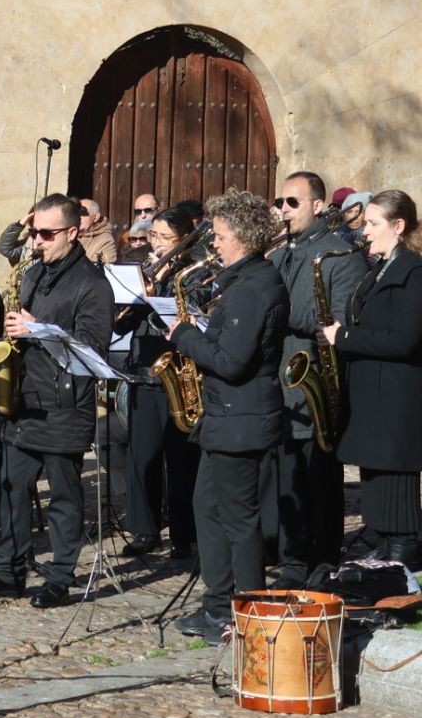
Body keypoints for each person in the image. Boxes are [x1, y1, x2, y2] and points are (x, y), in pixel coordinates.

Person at [0, 193, 113, 608]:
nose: (38, 240)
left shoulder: (92, 284)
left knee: (65, 497)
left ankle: (59, 576)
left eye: (47, 233)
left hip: (65, 403)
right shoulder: (34, 273)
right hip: (25, 398)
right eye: (36, 232)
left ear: (74, 232)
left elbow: (93, 348)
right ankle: (8, 571)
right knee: (12, 489)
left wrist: (38, 329)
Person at [169, 189, 289, 645]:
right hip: (227, 419)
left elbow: (232, 362)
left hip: (241, 418)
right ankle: (217, 604)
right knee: (207, 507)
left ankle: (248, 612)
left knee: (238, 521)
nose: (214, 243)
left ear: (240, 236)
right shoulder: (250, 281)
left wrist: (183, 335)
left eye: (219, 235)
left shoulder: (251, 290)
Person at [269, 171, 362, 583]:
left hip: (316, 385)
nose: (283, 210)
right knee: (287, 479)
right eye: (280, 203)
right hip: (279, 383)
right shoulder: (280, 251)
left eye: (292, 202)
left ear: (318, 205)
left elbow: (337, 319)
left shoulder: (340, 255)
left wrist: (275, 313)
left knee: (318, 482)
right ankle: (291, 561)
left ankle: (323, 560)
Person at [324, 189, 422, 569]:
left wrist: (345, 336)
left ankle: (402, 556)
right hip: (373, 393)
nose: (364, 231)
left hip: (395, 396)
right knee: (375, 477)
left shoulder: (413, 272)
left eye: (372, 223)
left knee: (395, 480)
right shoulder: (381, 266)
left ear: (398, 226)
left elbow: (405, 339)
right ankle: (383, 541)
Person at [118, 208, 200, 560]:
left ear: (182, 240)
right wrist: (138, 292)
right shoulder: (142, 269)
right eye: (154, 236)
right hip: (143, 368)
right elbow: (119, 325)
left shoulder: (195, 271)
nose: (158, 244)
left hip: (177, 371)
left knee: (181, 459)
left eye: (165, 238)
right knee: (142, 456)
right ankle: (145, 529)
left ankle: (185, 534)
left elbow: (196, 314)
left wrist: (163, 288)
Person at [78, 199, 119, 263]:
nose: (78, 217)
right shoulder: (68, 235)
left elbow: (106, 268)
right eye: (75, 212)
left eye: (83, 212)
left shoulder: (106, 239)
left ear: (96, 217)